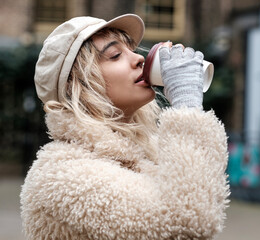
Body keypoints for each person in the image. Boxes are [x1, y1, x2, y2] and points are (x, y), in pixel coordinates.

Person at [20, 14, 230, 240]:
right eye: (115, 55)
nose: (139, 58)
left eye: (132, 49)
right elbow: (186, 221)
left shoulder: (149, 152)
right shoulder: (60, 176)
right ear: (77, 85)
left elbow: (201, 196)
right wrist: (187, 105)